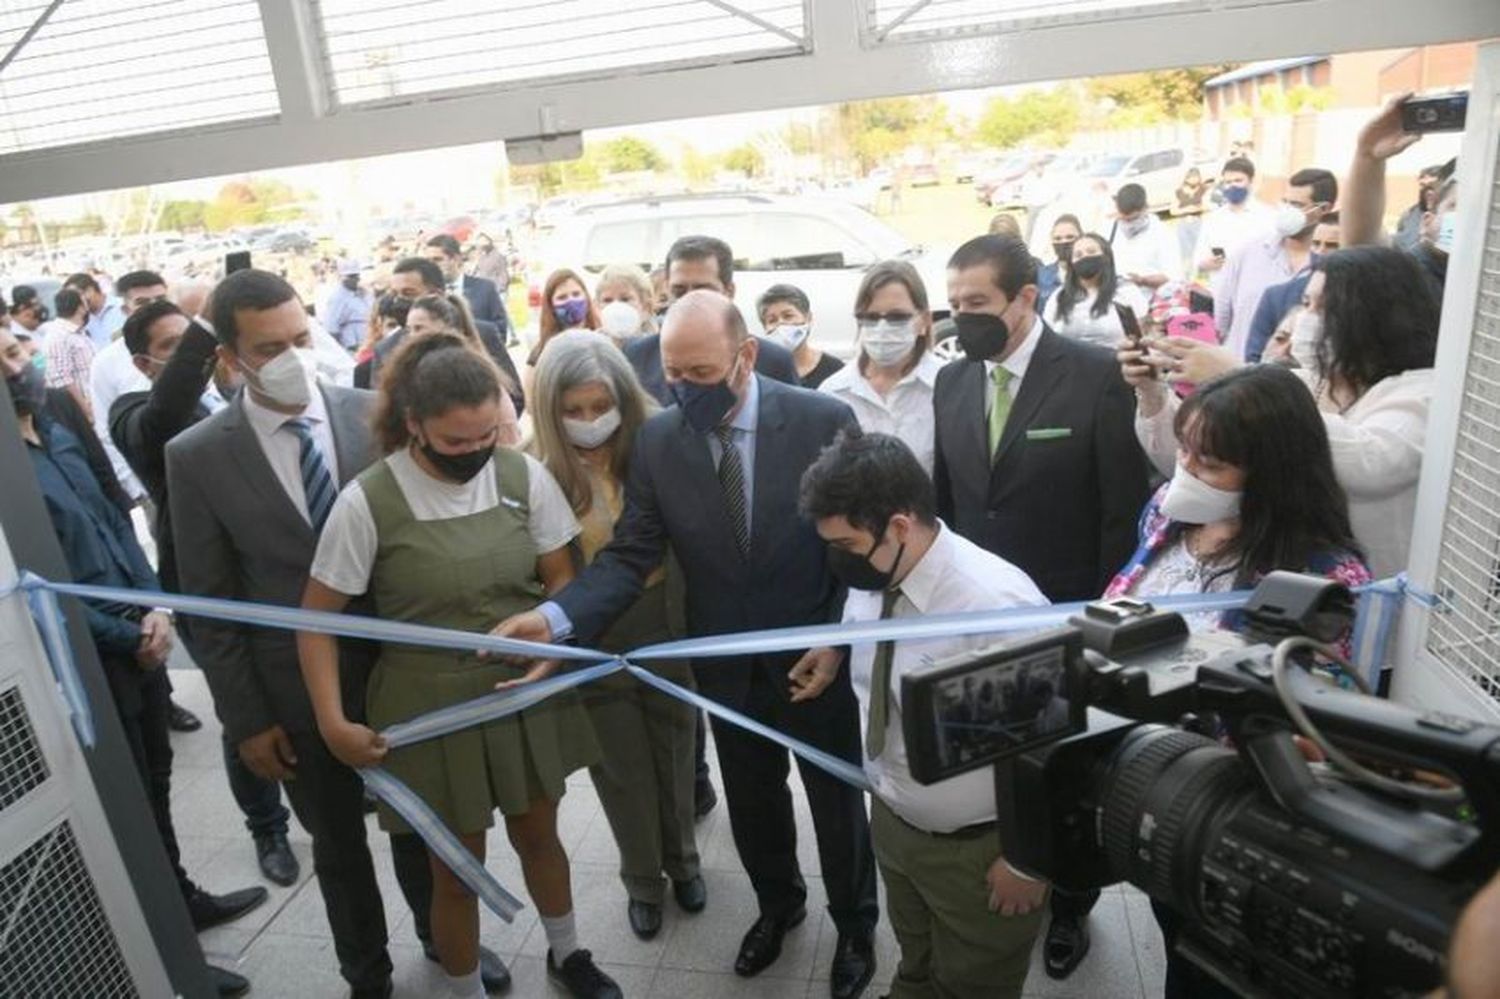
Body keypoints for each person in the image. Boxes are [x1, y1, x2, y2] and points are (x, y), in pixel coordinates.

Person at [495, 291, 880, 999]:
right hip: (727, 663)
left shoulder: (824, 420)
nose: (684, 387)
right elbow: (630, 552)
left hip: (814, 656)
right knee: (754, 802)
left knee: (834, 798)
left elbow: (861, 549)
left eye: (701, 372)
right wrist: (554, 619)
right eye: (673, 372)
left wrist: (837, 641)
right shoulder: (661, 440)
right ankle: (778, 905)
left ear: (744, 357)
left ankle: (855, 924)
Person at [166, 270, 510, 998]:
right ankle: (368, 972)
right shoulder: (196, 455)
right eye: (270, 347)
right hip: (292, 688)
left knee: (426, 826)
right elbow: (211, 600)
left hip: (405, 668)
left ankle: (446, 943)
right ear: (230, 358)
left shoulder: (370, 415)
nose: (295, 354)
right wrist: (247, 720)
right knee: (340, 846)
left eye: (301, 336)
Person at [299, 332, 618, 999]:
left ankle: (568, 952)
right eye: (455, 443)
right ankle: (467, 986)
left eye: (486, 436)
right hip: (428, 708)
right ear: (413, 425)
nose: (475, 453)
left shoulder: (520, 475)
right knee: (454, 866)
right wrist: (333, 721)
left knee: (541, 833)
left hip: (521, 690)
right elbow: (316, 622)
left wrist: (551, 649)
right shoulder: (369, 501)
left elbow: (561, 579)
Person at [5, 325, 263, 999]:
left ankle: (179, 900)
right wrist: (128, 635)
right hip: (90, 659)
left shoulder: (57, 422)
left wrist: (157, 608)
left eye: (19, 348)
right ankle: (160, 938)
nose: (23, 363)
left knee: (155, 779)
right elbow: (35, 587)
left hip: (140, 632)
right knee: (125, 801)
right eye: (6, 357)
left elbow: (119, 523)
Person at [1102, 364, 1370, 999]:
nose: (1187, 469)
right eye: (1186, 449)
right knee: (1175, 942)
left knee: (1217, 969)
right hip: (1151, 784)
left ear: (1273, 475)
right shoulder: (1166, 520)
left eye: (1211, 463)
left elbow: (1311, 720)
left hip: (1230, 814)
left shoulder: (1323, 577)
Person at [935, 234, 1150, 974]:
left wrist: (1097, 622)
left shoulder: (1094, 377)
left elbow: (1121, 513)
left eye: (979, 305)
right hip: (977, 622)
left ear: (1027, 297)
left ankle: (1069, 904)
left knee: (1065, 773)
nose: (964, 319)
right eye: (956, 304)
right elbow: (954, 506)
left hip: (1066, 614)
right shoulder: (953, 381)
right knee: (995, 763)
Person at [798, 430, 1052, 998]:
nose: (837, 560)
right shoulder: (880, 571)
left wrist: (1029, 862)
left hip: (979, 851)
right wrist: (837, 649)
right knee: (916, 956)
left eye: (845, 544)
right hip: (894, 821)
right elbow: (864, 618)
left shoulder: (997, 608)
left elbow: (1051, 749)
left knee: (972, 982)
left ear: (899, 526)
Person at [108, 299, 300, 888]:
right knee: (247, 712)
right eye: (174, 346)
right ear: (144, 364)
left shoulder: (237, 391)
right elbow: (165, 414)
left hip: (274, 581)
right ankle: (267, 826)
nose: (199, 357)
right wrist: (209, 324)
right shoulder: (136, 413)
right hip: (212, 595)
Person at [529, 329, 705, 941]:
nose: (588, 422)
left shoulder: (659, 440)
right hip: (591, 632)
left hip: (665, 617)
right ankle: (643, 881)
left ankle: (684, 861)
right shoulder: (534, 467)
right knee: (619, 765)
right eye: (572, 411)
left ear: (624, 400)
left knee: (677, 747)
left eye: (600, 407)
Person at [1130, 245, 1437, 580]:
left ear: (1378, 316)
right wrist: (1151, 391)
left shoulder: (1423, 392)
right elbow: (1199, 464)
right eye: (1306, 304)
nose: (1306, 319)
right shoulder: (1307, 383)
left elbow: (1373, 464)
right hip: (1279, 584)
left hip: (1372, 592)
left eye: (1326, 308)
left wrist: (1239, 376)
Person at [623, 236, 799, 405]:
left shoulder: (773, 361)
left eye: (703, 290)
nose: (690, 299)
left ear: (729, 291)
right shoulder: (638, 356)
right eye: (679, 291)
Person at [819, 261, 942, 473]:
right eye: (871, 317)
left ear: (924, 321)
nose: (882, 328)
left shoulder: (948, 387)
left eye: (897, 317)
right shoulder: (832, 393)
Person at [1215, 168, 1338, 360]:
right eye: (1285, 202)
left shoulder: (1329, 269)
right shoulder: (1247, 254)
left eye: (1297, 205)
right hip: (1239, 375)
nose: (1288, 211)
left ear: (1324, 209)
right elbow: (1221, 320)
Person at [376, 256, 524, 414]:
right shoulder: (386, 350)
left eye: (408, 293)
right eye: (395, 294)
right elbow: (384, 413)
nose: (399, 301)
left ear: (436, 295)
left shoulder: (482, 334)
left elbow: (514, 395)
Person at [85, 270, 171, 508]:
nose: (154, 308)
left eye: (161, 300)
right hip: (154, 488)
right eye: (142, 303)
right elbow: (105, 431)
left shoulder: (191, 344)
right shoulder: (106, 363)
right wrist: (138, 489)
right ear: (124, 309)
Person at [1242, 212, 1341, 363]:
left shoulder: (1364, 302)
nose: (1321, 251)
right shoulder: (1277, 297)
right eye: (1316, 243)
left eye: (1332, 246)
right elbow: (1254, 357)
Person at [1043, 233, 1144, 349]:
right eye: (1078, 255)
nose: (1085, 257)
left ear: (1106, 256)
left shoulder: (1126, 292)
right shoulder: (1059, 297)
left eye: (1091, 252)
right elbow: (1048, 336)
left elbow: (1142, 334)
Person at [1192, 156, 1275, 286]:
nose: (1232, 186)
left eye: (1238, 180)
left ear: (1251, 181)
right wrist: (1207, 263)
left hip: (1256, 288)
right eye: (1228, 182)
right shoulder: (1214, 219)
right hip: (1220, 290)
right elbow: (1199, 260)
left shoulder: (1268, 216)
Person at [758, 282, 843, 389]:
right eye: (772, 320)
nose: (781, 324)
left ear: (808, 318)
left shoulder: (834, 370)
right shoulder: (759, 374)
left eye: (788, 316)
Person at [1107, 184, 1180, 303]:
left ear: (1145, 208)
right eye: (1124, 219)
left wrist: (1143, 281)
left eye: (1133, 219)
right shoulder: (1109, 230)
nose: (1128, 224)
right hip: (1118, 302)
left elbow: (1172, 278)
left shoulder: (1163, 233)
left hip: (1153, 302)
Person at [425, 233, 509, 331]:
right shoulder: (425, 293)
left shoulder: (485, 289)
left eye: (437, 260)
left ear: (456, 259)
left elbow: (500, 328)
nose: (431, 266)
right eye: (428, 261)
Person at [40, 286, 95, 419]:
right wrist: (86, 410)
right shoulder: (59, 336)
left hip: (94, 401)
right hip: (82, 409)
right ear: (81, 307)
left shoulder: (78, 332)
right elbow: (62, 380)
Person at [529, 267, 601, 365]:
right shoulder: (542, 353)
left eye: (576, 294)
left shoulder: (602, 338)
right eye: (562, 297)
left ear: (587, 297)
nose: (571, 301)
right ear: (551, 306)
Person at [62, 270, 126, 349]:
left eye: (76, 296)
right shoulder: (80, 319)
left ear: (90, 290)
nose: (75, 302)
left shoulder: (122, 306)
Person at [594, 263, 657, 343]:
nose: (616, 307)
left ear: (646, 306)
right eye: (607, 300)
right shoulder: (593, 346)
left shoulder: (658, 346)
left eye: (625, 299)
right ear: (598, 308)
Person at [1394, 163, 1445, 253]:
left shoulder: (1448, 215)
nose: (1426, 191)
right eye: (1422, 185)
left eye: (1431, 185)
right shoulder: (1408, 214)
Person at [322, 260, 371, 350]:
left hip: (369, 340)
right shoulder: (337, 298)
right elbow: (331, 328)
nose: (355, 279)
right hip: (353, 345)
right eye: (351, 276)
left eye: (356, 276)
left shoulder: (363, 292)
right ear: (341, 277)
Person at [1037, 214, 1082, 305]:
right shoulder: (1040, 276)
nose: (1064, 242)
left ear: (1081, 238)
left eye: (1070, 237)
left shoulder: (1093, 274)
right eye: (1058, 238)